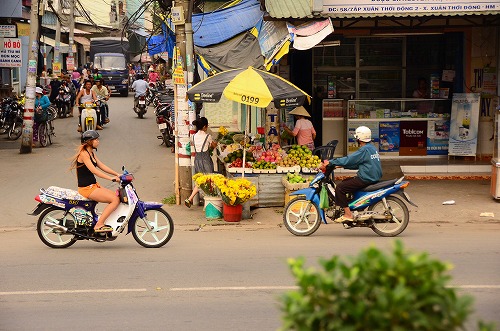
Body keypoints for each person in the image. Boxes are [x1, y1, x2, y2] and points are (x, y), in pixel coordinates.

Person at [319, 126, 382, 223]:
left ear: (359, 138)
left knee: (340, 188)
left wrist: (331, 162)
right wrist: (340, 166)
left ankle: (348, 214)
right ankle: (353, 207)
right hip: (372, 176)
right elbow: (359, 164)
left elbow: (349, 159)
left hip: (366, 178)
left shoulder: (364, 149)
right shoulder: (372, 148)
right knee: (346, 182)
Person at [70, 130, 120, 232]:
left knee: (116, 197)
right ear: (89, 141)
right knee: (115, 200)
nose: (98, 141)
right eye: (95, 139)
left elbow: (101, 165)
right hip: (86, 189)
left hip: (93, 186)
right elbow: (94, 171)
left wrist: (117, 174)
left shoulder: (90, 152)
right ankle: (99, 224)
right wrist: (111, 178)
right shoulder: (84, 154)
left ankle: (104, 221)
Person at [185, 117, 218, 208]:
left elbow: (193, 145)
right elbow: (212, 146)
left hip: (197, 160)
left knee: (200, 181)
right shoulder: (208, 136)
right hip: (206, 160)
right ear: (204, 126)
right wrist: (216, 143)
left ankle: (190, 198)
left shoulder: (193, 137)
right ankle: (208, 203)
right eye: (207, 126)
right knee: (210, 180)